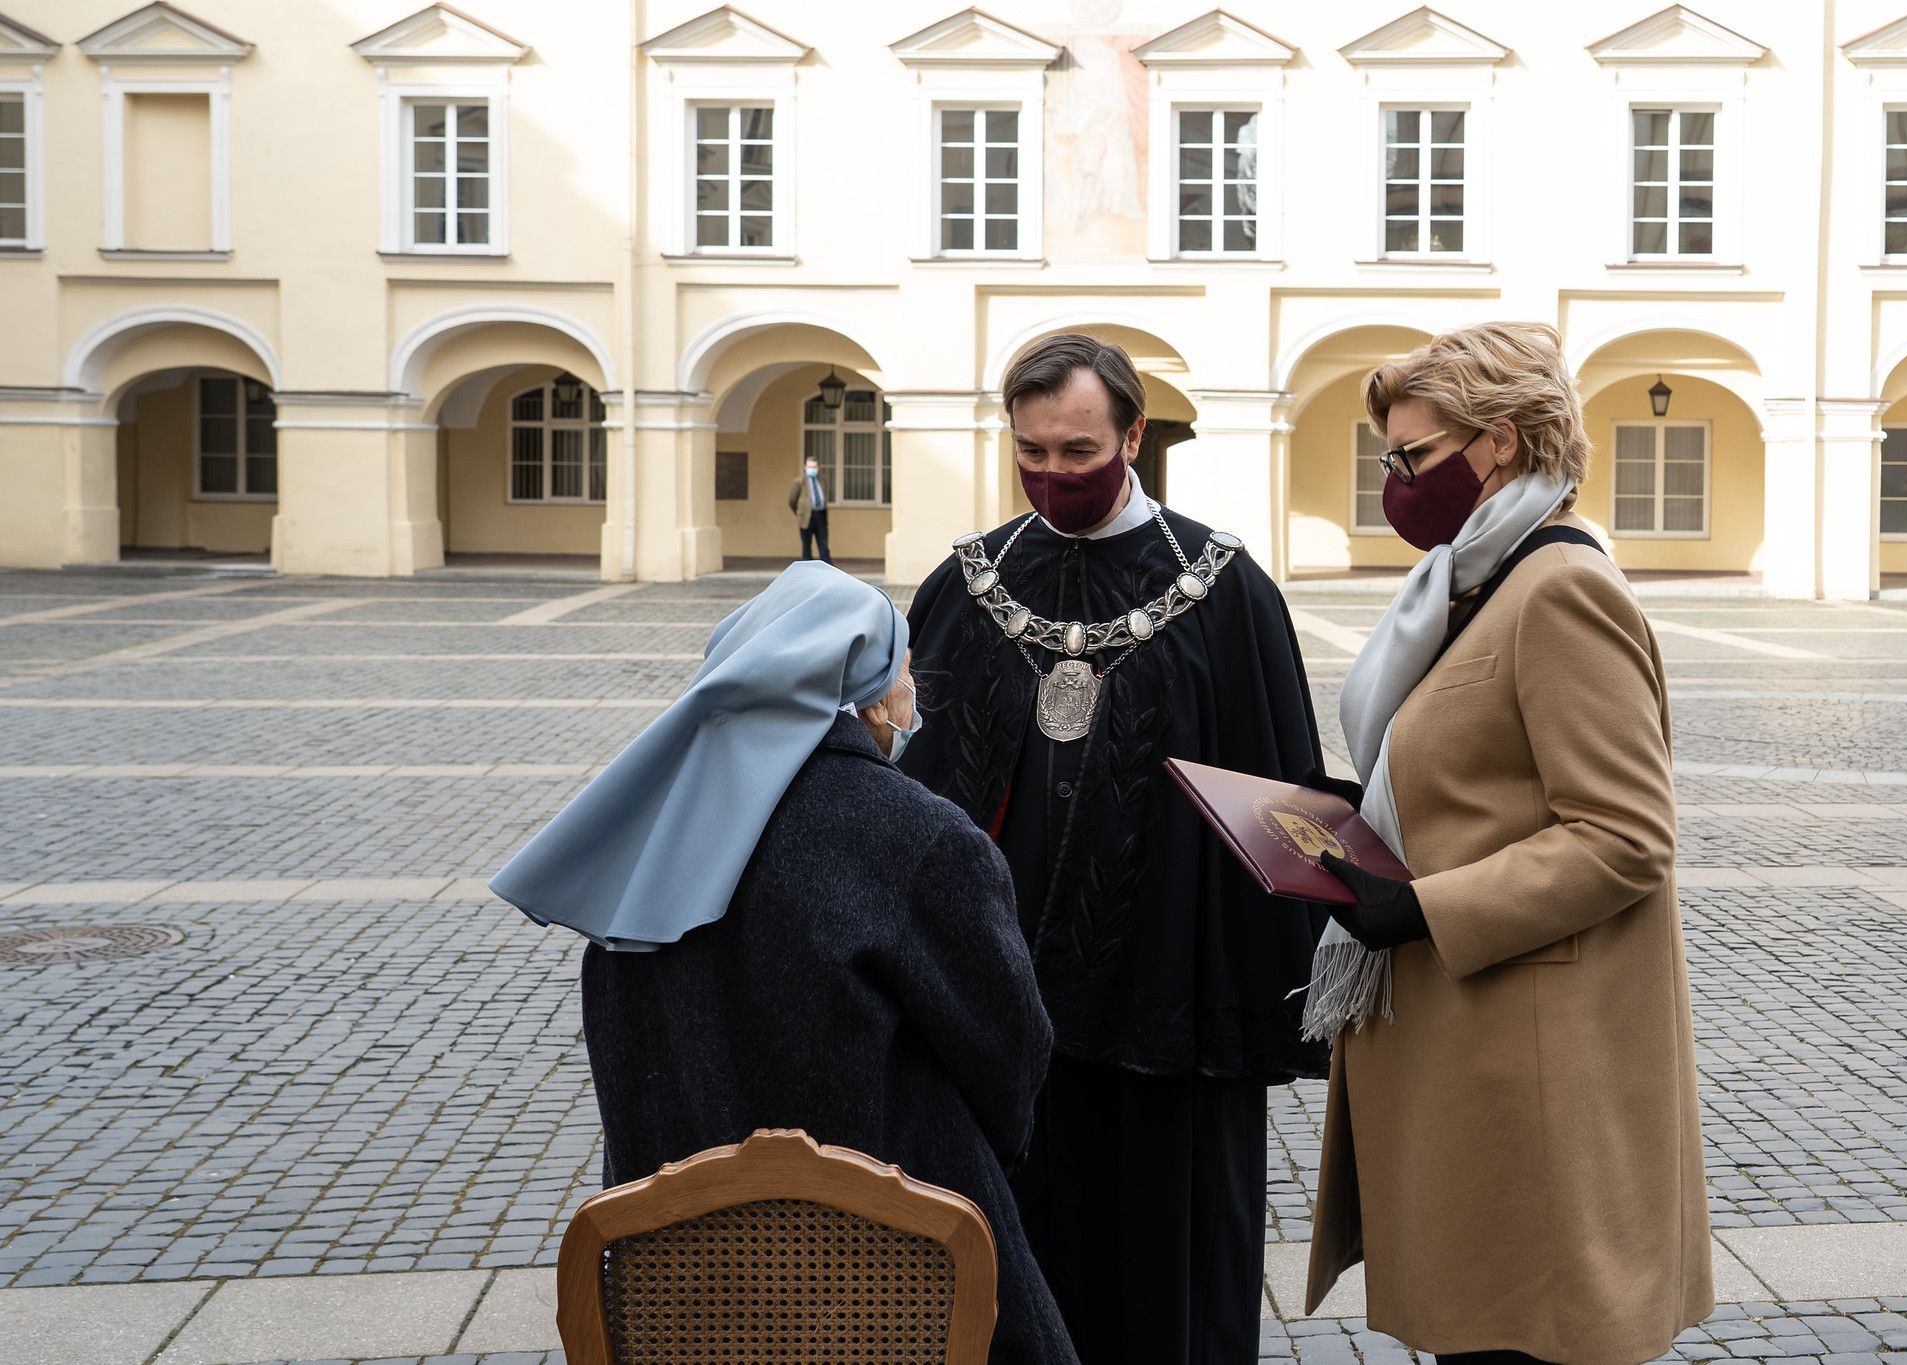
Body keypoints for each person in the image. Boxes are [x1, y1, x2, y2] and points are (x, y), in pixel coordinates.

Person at [490, 561, 1078, 1365]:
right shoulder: (923, 837)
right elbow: (1010, 1054)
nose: (913, 698)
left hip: (677, 1286)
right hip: (898, 1276)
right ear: (868, 689)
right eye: (906, 671)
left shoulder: (642, 841)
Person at [899, 333, 1331, 1365]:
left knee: (1162, 1266)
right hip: (1001, 1001)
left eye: (1077, 453)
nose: (1051, 477)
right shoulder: (966, 584)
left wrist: (1283, 983)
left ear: (1135, 435)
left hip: (1167, 998)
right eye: (1031, 453)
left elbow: (1277, 788)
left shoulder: (1225, 591)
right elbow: (909, 794)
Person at [1301, 322, 1712, 1365]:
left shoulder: (1557, 587)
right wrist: (1366, 807)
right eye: (1385, 459)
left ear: (1500, 443)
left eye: (1412, 457)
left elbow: (1623, 836)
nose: (1393, 483)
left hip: (1528, 1071)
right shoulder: (1469, 582)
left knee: (1519, 1340)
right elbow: (1481, 775)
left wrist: (1424, 905)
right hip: (1467, 1050)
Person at [788, 454, 831, 563]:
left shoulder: (822, 480)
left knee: (823, 545)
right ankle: (807, 569)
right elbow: (792, 500)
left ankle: (827, 569)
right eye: (810, 467)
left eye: (814, 467)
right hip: (806, 517)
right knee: (806, 546)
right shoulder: (799, 481)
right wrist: (799, 513)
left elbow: (825, 495)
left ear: (818, 467)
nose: (812, 469)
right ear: (805, 467)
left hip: (820, 515)